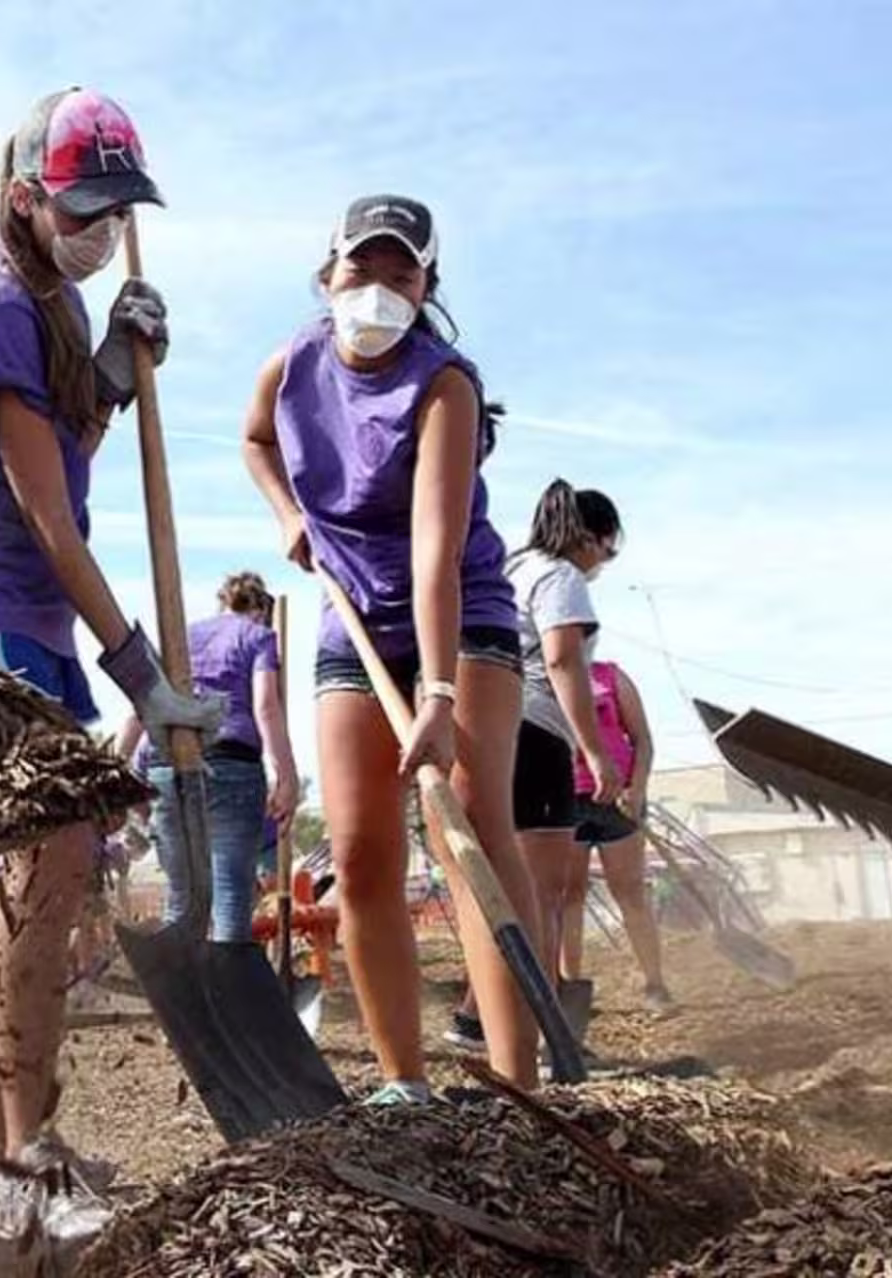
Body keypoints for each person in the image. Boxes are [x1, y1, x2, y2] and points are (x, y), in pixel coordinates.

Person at [0, 86, 222, 1241]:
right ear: (24, 200)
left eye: (118, 210)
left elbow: (74, 448)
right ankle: (25, 1157)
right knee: (45, 875)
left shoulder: (51, 308)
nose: (100, 228)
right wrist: (141, 669)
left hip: (28, 616)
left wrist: (121, 366)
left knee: (37, 886)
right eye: (83, 208)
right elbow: (47, 514)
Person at [243, 195, 543, 1097]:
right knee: (364, 849)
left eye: (400, 274)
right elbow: (257, 440)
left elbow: (434, 550)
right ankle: (402, 1081)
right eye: (359, 270)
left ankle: (518, 1085)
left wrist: (442, 696)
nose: (377, 289)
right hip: (352, 618)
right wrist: (291, 515)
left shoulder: (444, 383)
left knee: (472, 837)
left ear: (427, 285)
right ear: (327, 274)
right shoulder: (294, 362)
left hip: (460, 616)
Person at [119, 571, 300, 942]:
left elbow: (143, 703)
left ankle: (179, 994)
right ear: (261, 609)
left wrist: (119, 765)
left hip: (166, 763)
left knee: (180, 898)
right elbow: (266, 707)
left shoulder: (180, 637)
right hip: (230, 763)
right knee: (231, 896)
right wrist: (287, 775)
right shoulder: (259, 636)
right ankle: (226, 995)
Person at [505, 481, 625, 980]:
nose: (605, 562)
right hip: (537, 733)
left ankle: (480, 1020)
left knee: (508, 889)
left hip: (494, 728)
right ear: (590, 539)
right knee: (542, 892)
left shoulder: (512, 567)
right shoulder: (561, 576)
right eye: (609, 549)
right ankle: (541, 1023)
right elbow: (561, 659)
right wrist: (594, 753)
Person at [561, 661, 671, 1009]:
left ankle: (655, 984)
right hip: (565, 800)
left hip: (619, 798)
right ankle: (570, 988)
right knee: (568, 898)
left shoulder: (610, 676)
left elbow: (643, 741)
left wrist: (637, 788)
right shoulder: (537, 677)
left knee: (631, 892)